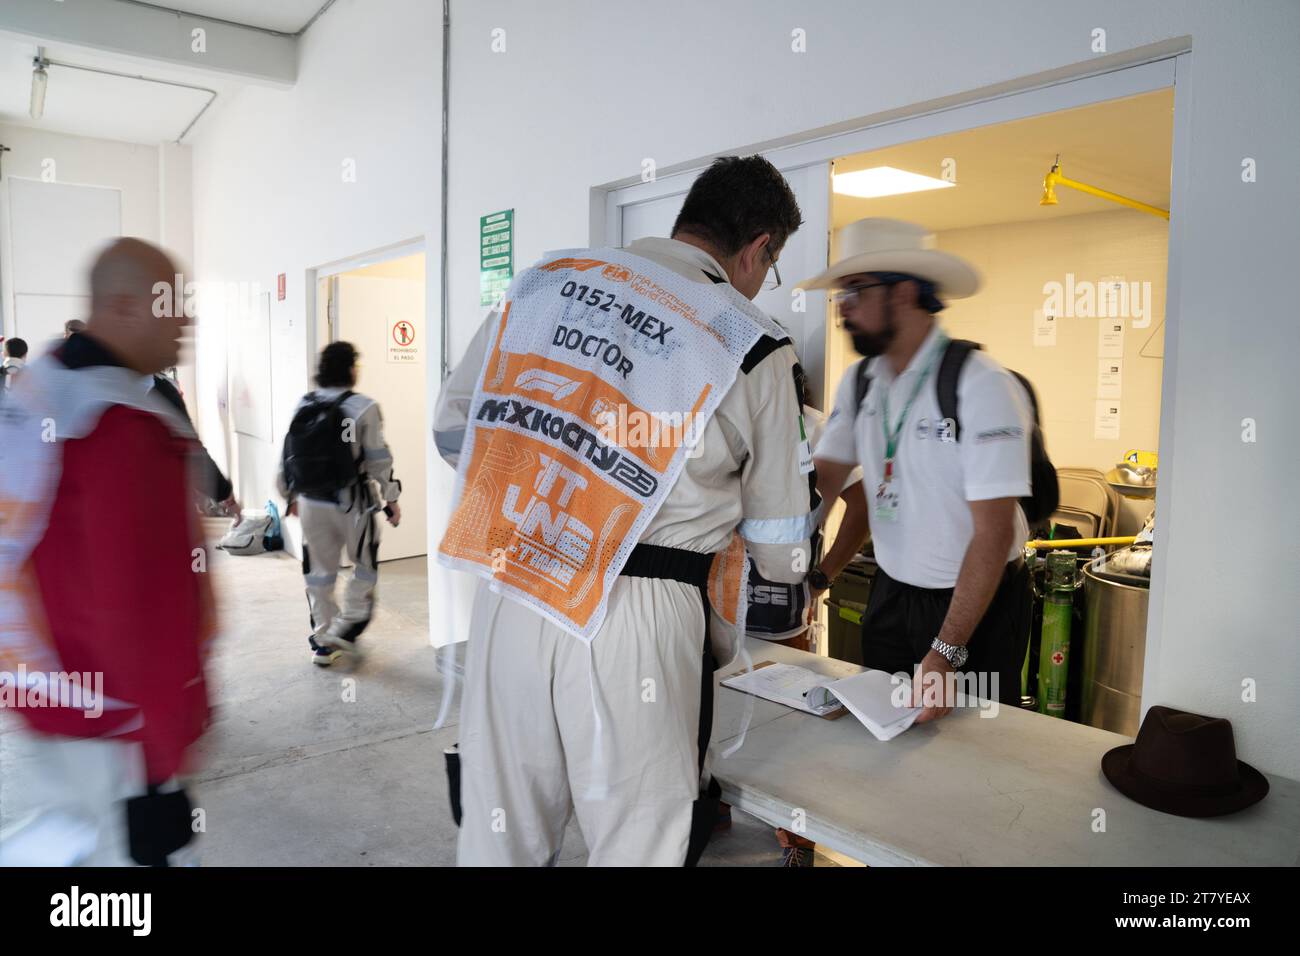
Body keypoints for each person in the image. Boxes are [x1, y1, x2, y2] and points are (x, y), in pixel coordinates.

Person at [434, 155, 817, 866]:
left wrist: (554, 481)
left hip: (515, 583)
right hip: (640, 615)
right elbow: (781, 548)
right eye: (772, 264)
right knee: (636, 846)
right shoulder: (751, 339)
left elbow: (454, 427)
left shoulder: (543, 286)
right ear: (759, 247)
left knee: (499, 833)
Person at [0, 238, 214, 866]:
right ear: (122, 306)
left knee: (77, 842)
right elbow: (137, 606)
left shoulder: (40, 389)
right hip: (118, 724)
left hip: (48, 696)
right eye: (171, 302)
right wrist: (165, 745)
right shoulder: (117, 427)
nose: (186, 319)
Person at [807, 218, 1033, 722]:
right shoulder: (861, 382)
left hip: (976, 605)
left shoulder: (980, 384)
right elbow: (822, 482)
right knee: (887, 734)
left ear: (905, 292)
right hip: (892, 594)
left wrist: (947, 652)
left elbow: (993, 535)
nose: (843, 308)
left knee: (977, 754)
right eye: (841, 294)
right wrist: (779, 563)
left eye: (856, 291)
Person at [277, 341, 402, 666]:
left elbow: (288, 454)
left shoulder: (304, 402)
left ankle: (323, 641)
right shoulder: (364, 406)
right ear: (350, 369)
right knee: (363, 566)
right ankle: (346, 629)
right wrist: (391, 499)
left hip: (310, 502)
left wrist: (289, 495)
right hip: (352, 504)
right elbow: (378, 461)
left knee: (319, 573)